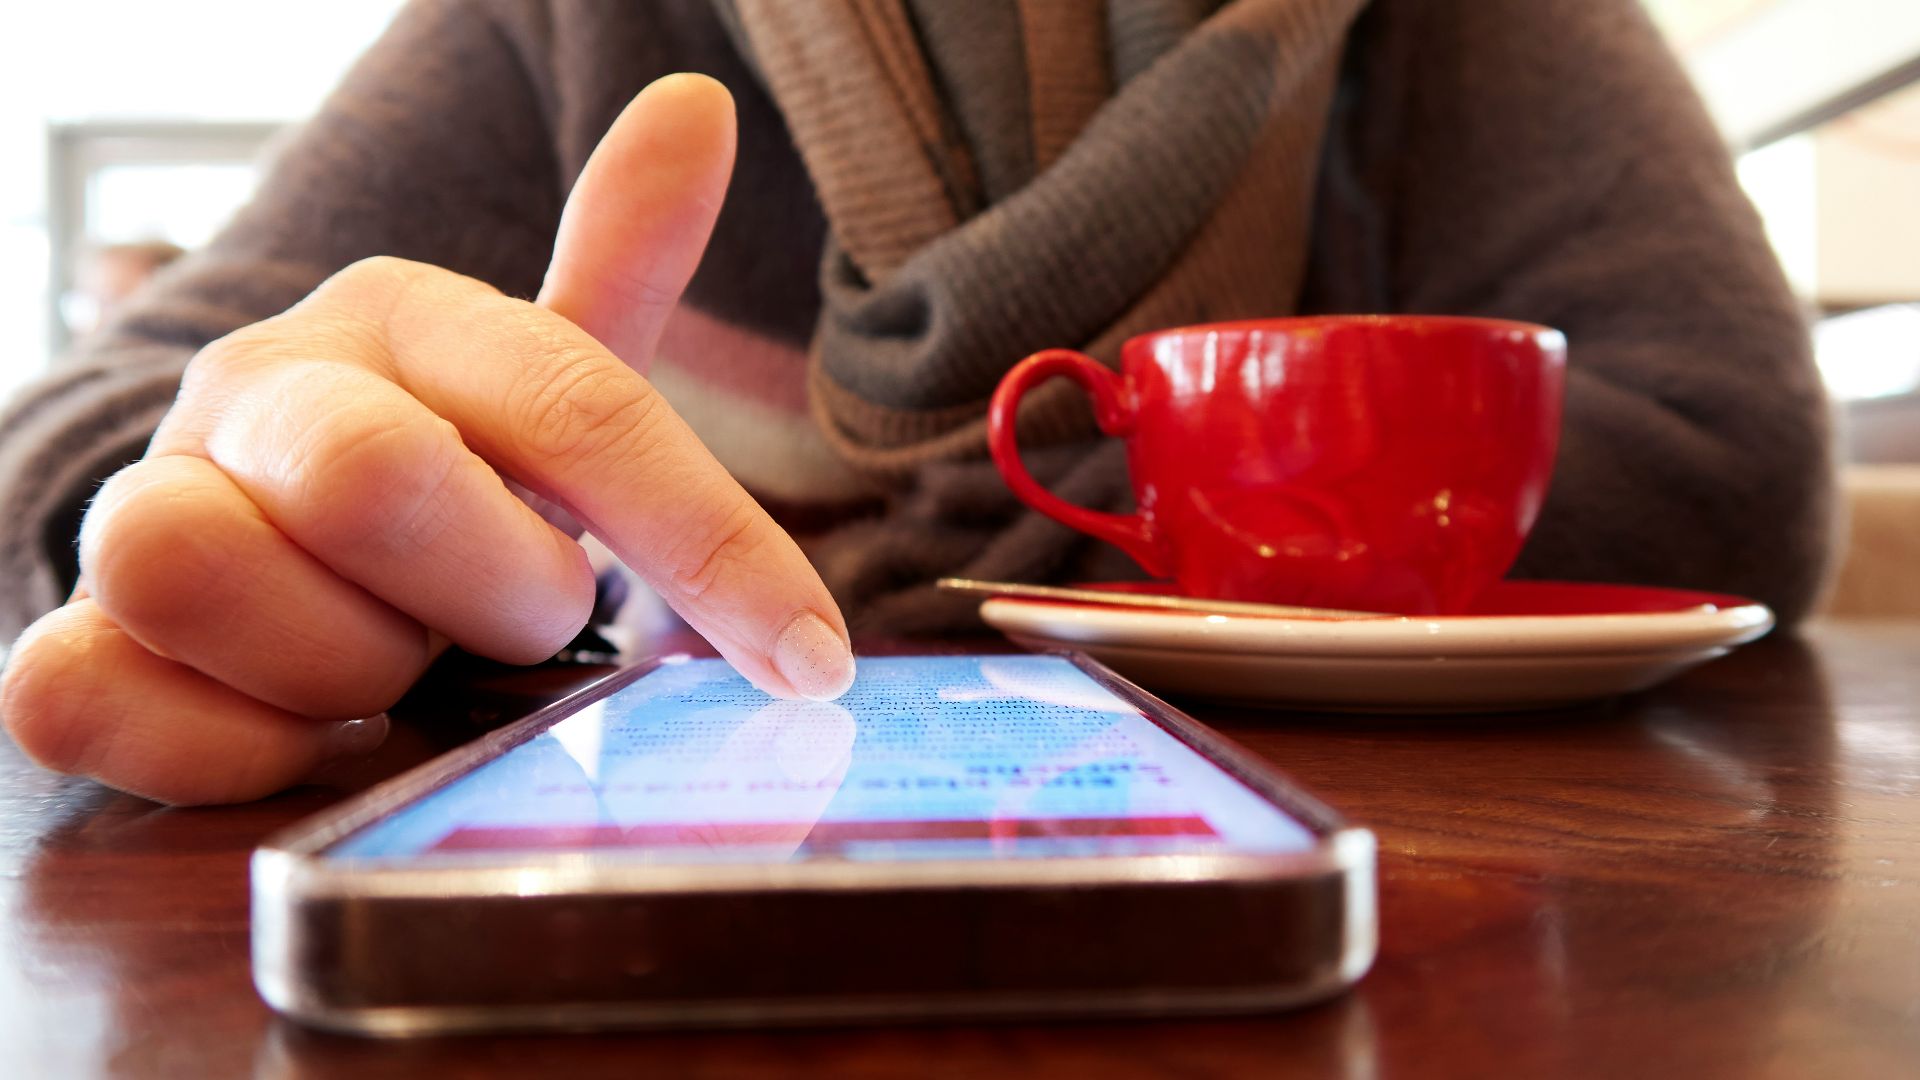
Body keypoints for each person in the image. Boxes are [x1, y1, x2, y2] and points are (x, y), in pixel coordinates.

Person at [0, 0, 1834, 805]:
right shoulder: (570, 20)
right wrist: (212, 515)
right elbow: (98, 427)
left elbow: (1728, 449)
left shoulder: (1444, 28)